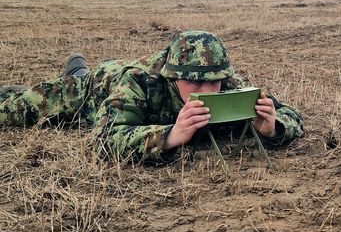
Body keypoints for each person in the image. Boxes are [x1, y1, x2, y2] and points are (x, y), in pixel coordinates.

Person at [0, 31, 304, 162]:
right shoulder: (140, 82)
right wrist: (170, 135)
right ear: (173, 77)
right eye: (194, 83)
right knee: (19, 108)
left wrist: (273, 128)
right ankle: (78, 71)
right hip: (95, 89)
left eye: (215, 82)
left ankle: (77, 67)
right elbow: (104, 139)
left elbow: (288, 114)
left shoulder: (228, 82)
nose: (207, 91)